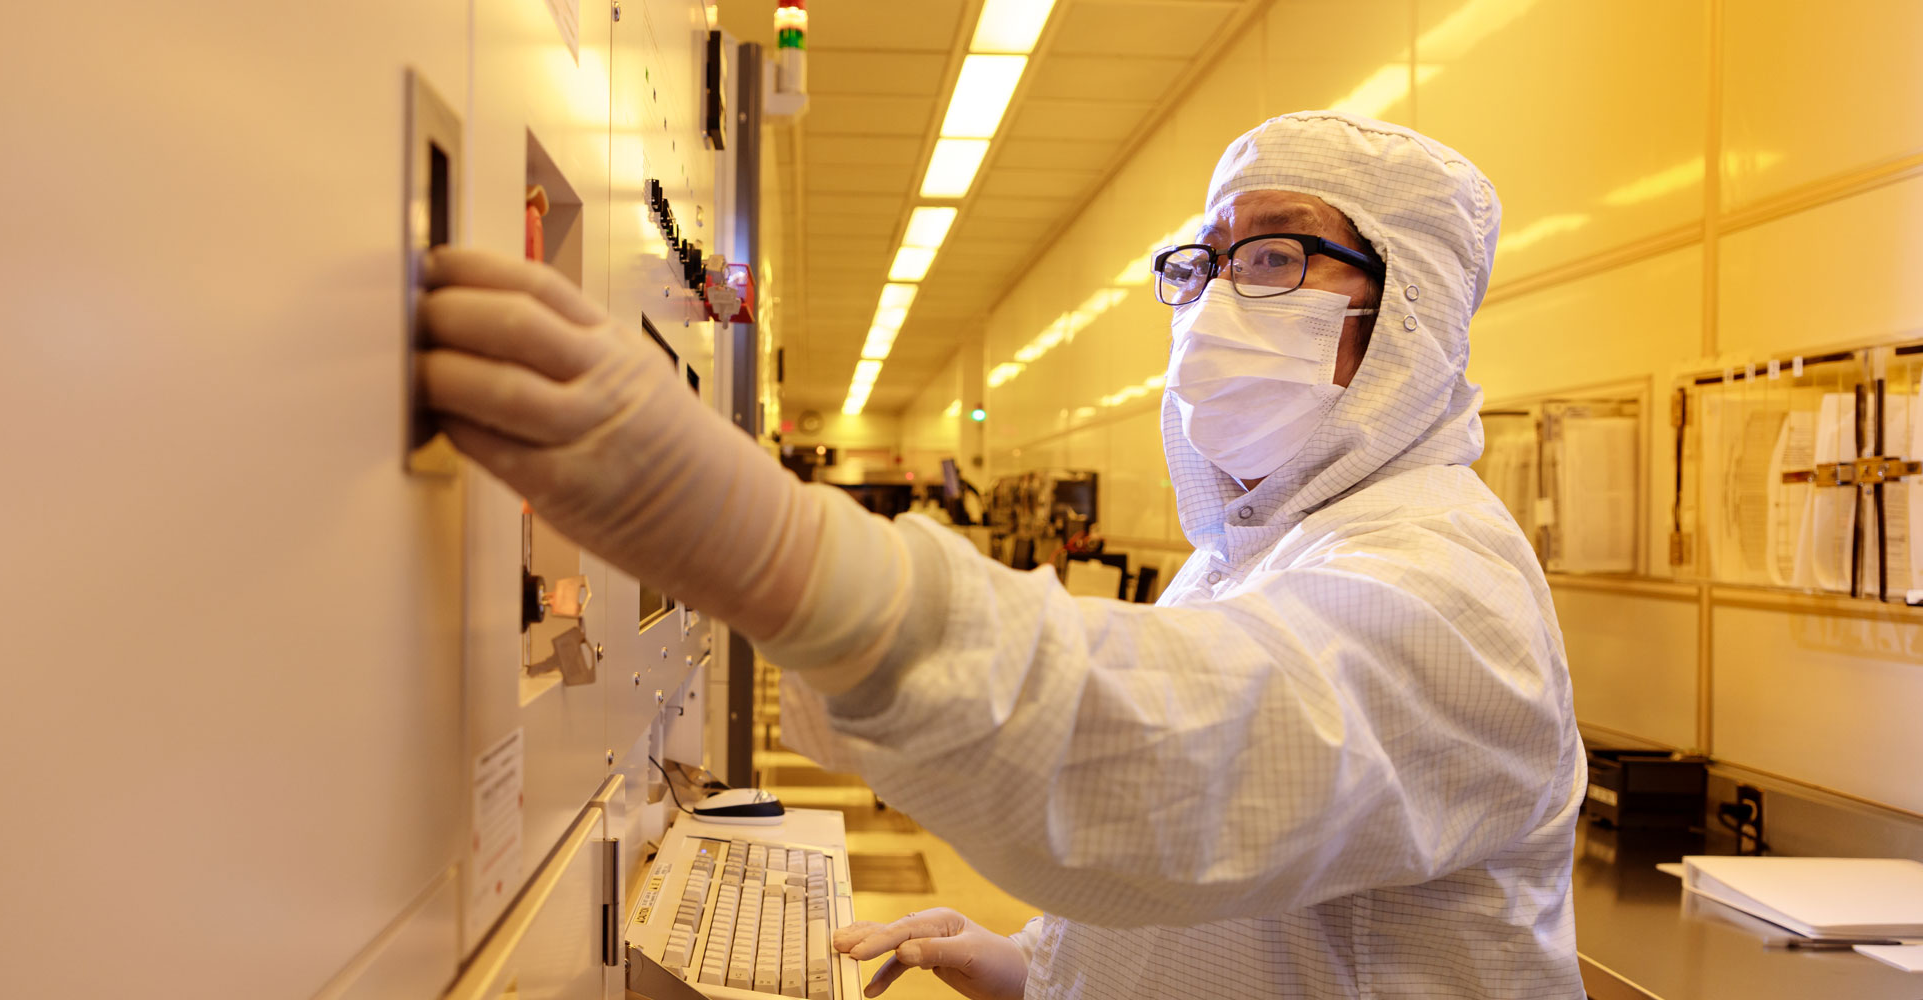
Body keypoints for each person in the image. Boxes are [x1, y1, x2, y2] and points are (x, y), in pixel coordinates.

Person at [419, 111, 1585, 999]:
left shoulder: (1444, 582)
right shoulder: (1250, 554)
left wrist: (767, 544)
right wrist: (1038, 969)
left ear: (1410, 312)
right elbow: (1216, 915)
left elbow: (1195, 768)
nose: (1220, 299)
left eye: (1276, 258)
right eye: (1203, 263)